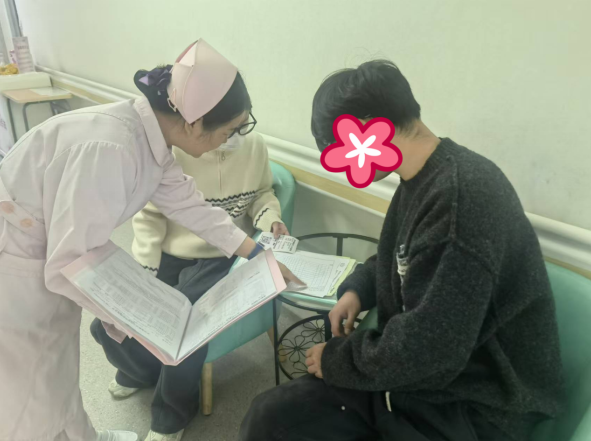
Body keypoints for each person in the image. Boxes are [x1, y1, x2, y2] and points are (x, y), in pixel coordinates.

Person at [239, 60, 565, 441]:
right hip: (432, 376)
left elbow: (433, 348)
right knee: (269, 416)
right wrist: (358, 289)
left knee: (279, 423)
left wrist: (338, 359)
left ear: (369, 128)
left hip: (478, 403)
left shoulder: (459, 199)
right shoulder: (424, 180)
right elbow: (401, 255)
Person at [0, 39, 299, 441]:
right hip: (17, 268)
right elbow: (70, 261)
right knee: (31, 387)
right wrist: (134, 315)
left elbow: (193, 207)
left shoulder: (149, 138)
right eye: (228, 131)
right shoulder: (112, 147)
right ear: (195, 123)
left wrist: (258, 253)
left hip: (44, 250)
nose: (229, 141)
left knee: (56, 369)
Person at [91, 129, 288, 441]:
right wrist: (144, 271)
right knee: (108, 322)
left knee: (184, 328)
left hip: (224, 255)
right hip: (169, 253)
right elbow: (149, 217)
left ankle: (172, 414)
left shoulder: (253, 143)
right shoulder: (174, 150)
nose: (235, 132)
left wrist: (270, 218)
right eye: (225, 126)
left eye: (241, 123)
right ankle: (140, 371)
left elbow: (263, 192)